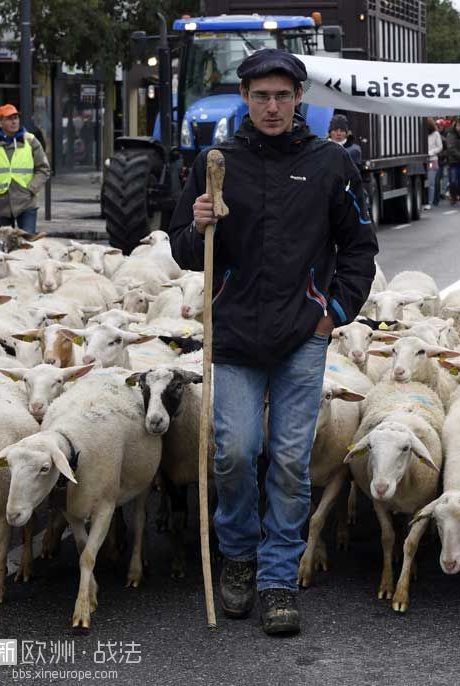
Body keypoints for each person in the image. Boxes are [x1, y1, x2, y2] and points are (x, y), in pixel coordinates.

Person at [168, 48, 378, 636]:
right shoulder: (217, 162)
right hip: (233, 333)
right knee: (234, 451)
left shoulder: (330, 164)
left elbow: (360, 248)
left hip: (300, 336)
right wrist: (199, 223)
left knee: (289, 460)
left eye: (283, 96)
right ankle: (238, 554)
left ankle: (278, 578)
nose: (272, 106)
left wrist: (330, 314)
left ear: (299, 100)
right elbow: (184, 250)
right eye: (261, 96)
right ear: (245, 98)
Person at [0, 104, 51, 233]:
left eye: (16, 117)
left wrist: (31, 188)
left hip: (26, 202)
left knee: (27, 246)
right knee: (4, 246)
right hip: (1, 203)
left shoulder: (31, 141)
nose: (14, 121)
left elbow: (44, 169)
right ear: (0, 123)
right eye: (9, 118)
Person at [425, 118, 443, 211]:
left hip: (432, 160)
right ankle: (425, 201)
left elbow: (440, 147)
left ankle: (429, 202)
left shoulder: (436, 134)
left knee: (431, 182)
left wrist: (431, 152)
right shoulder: (422, 134)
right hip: (422, 160)